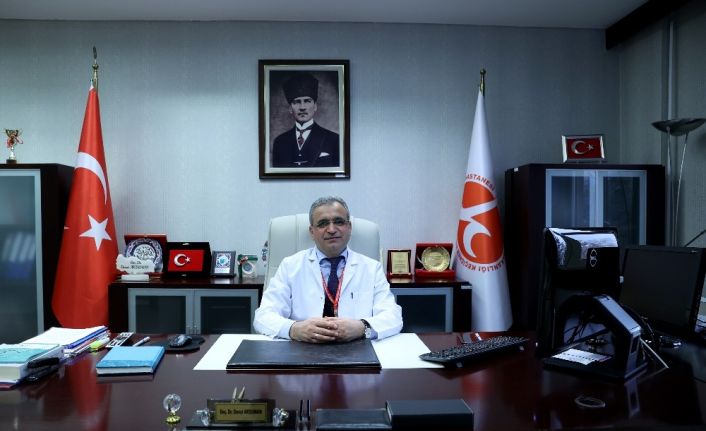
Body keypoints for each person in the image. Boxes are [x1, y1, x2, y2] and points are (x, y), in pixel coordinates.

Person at [254, 196, 403, 343]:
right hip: (303, 347)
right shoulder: (290, 266)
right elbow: (263, 316)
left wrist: (362, 327)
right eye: (323, 223)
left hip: (357, 348)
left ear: (349, 227)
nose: (331, 230)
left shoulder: (372, 268)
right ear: (312, 231)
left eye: (338, 222)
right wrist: (294, 329)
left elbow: (393, 316)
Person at [271, 72, 340, 168]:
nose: (302, 107)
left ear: (315, 106)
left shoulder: (333, 140)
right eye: (297, 102)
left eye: (307, 101)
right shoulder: (280, 142)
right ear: (290, 108)